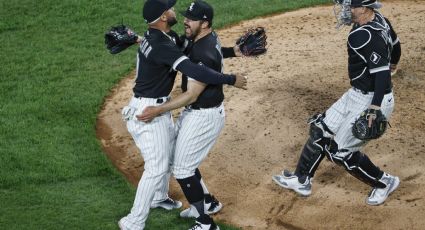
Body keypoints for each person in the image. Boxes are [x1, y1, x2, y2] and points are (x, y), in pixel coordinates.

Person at [118, 0, 247, 229]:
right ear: (163, 17)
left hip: (164, 108)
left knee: (176, 163)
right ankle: (134, 222)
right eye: (171, 9)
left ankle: (193, 206)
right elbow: (195, 70)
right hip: (148, 110)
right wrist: (231, 79)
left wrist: (233, 53)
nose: (178, 14)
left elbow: (188, 58)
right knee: (160, 166)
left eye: (190, 17)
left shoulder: (160, 38)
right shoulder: (163, 44)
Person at [272, 0, 401, 206]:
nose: (346, 10)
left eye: (351, 6)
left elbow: (382, 76)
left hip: (372, 100)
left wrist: (374, 108)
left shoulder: (364, 36)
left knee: (340, 153)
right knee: (320, 129)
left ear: (365, 8)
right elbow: (395, 44)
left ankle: (384, 182)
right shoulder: (380, 21)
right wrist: (394, 61)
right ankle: (301, 179)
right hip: (356, 94)